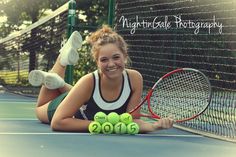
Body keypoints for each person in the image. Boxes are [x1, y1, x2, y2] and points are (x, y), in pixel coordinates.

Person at [28, 25, 173, 133]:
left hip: (83, 99)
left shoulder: (135, 79)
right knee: (39, 111)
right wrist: (100, 126)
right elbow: (57, 122)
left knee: (83, 93)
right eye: (104, 60)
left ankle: (60, 83)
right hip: (63, 107)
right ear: (97, 63)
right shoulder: (89, 81)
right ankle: (61, 61)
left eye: (116, 57)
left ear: (125, 56)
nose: (111, 64)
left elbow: (133, 120)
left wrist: (154, 126)